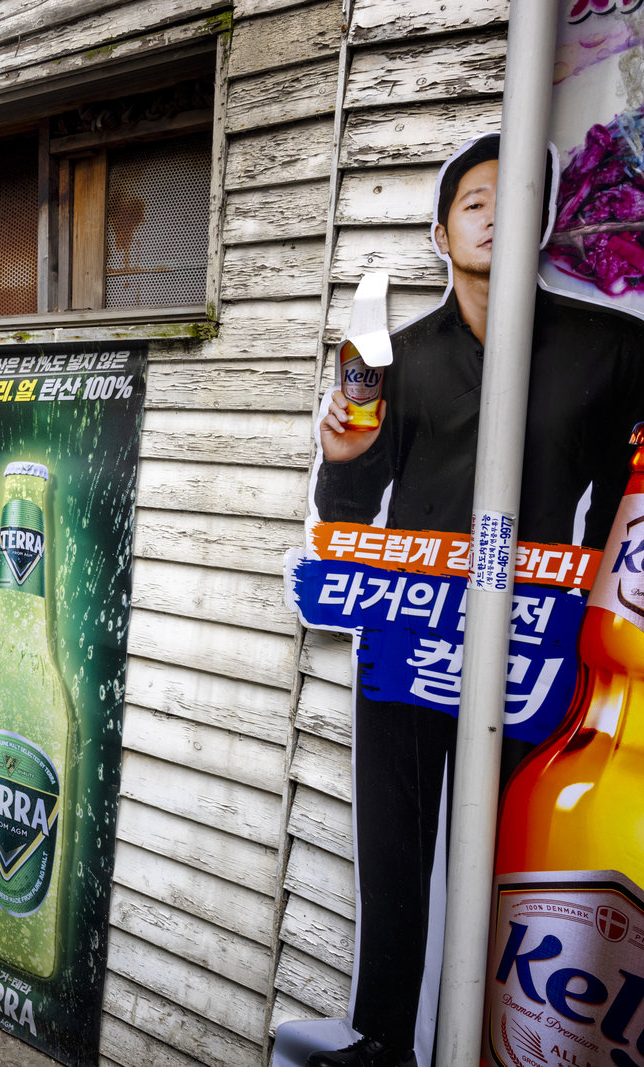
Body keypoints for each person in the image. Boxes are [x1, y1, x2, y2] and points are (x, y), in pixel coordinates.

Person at [306, 133, 644, 1067]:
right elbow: (349, 510)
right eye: (473, 200)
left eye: (516, 196)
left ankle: (510, 1043)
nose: (495, 211)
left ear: (545, 220)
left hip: (540, 639)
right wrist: (340, 461)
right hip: (411, 628)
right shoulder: (397, 357)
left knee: (516, 860)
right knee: (398, 858)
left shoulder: (613, 349)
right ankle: (380, 1040)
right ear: (442, 230)